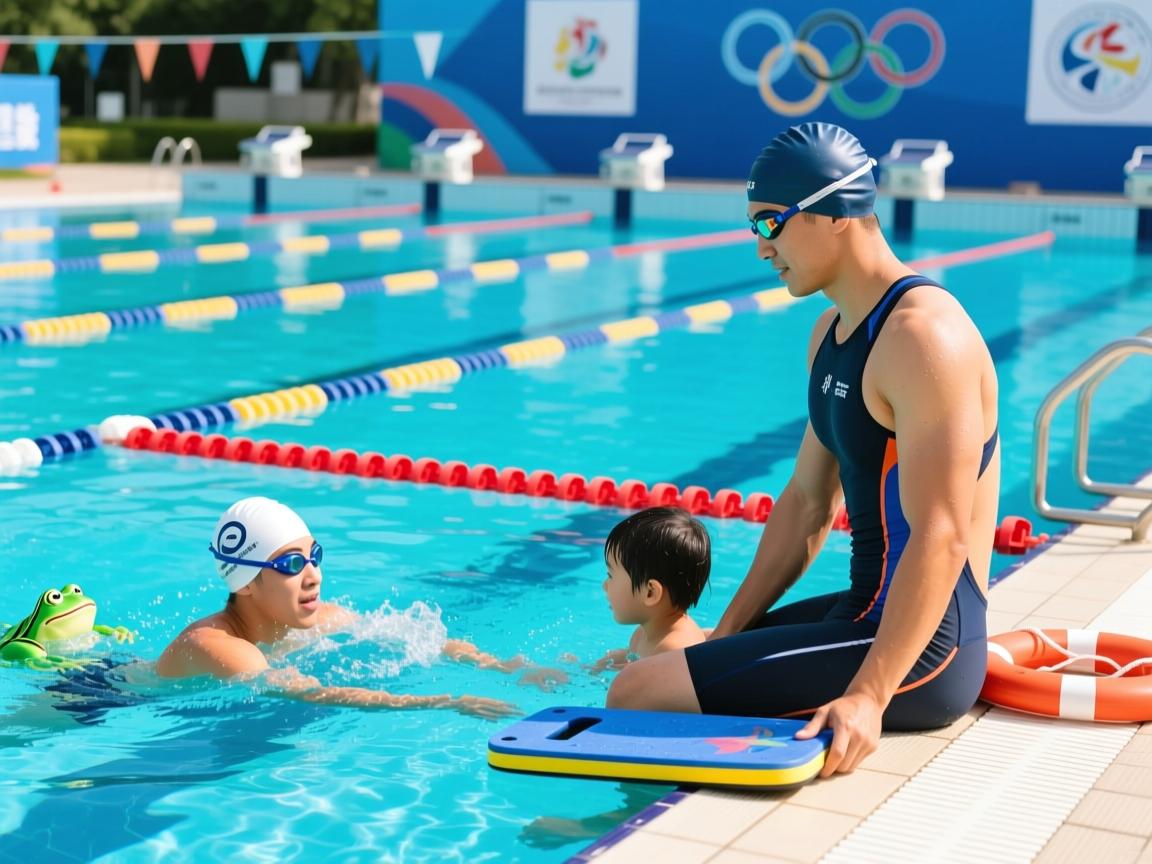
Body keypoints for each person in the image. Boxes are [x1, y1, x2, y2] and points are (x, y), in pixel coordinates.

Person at [606, 122, 1000, 777]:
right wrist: (725, 635)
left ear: (834, 213)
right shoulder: (832, 332)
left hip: (928, 650)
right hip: (866, 609)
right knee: (661, 664)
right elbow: (807, 504)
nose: (760, 249)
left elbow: (941, 534)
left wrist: (869, 697)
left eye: (769, 225)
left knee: (634, 695)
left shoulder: (924, 339)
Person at [158, 496, 544, 719]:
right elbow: (310, 692)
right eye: (292, 565)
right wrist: (446, 702)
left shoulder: (317, 618)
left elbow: (411, 633)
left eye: (314, 556)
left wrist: (505, 666)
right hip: (107, 700)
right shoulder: (219, 647)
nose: (314, 576)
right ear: (245, 584)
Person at [591, 507, 710, 672]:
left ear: (650, 593)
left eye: (611, 576)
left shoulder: (674, 651)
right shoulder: (644, 632)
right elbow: (629, 659)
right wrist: (592, 668)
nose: (605, 585)